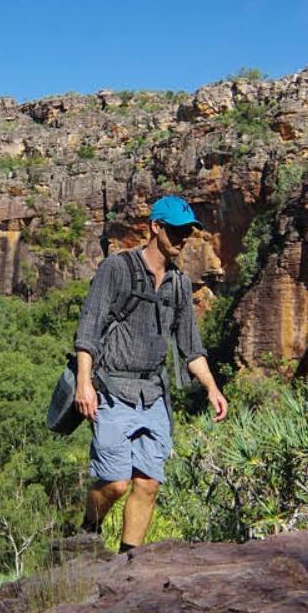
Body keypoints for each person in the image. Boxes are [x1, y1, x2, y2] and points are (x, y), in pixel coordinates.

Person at [72, 194, 228, 553]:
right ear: (155, 228)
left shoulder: (179, 284)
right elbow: (89, 329)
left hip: (154, 394)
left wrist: (212, 388)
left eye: (187, 232)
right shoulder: (117, 268)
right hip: (112, 387)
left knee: (148, 485)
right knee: (114, 483)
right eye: (176, 231)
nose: (182, 239)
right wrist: (84, 383)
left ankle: (129, 563)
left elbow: (191, 347)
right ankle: (88, 528)